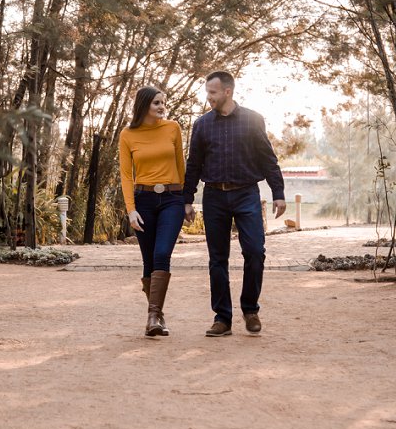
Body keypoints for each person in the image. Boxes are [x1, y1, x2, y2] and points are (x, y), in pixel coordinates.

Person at [183, 71, 285, 337]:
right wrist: (187, 200)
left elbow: (268, 159)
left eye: (213, 93)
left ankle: (250, 309)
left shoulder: (253, 120)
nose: (209, 98)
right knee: (218, 259)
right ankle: (222, 318)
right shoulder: (202, 125)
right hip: (214, 196)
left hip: (246, 194)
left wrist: (278, 192)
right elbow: (193, 165)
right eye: (208, 93)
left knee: (255, 252)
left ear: (227, 91)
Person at [118, 86, 186, 337]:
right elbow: (126, 176)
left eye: (163, 103)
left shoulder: (173, 128)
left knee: (161, 253)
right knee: (149, 261)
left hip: (172, 199)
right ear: (144, 105)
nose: (161, 107)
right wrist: (131, 210)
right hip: (143, 200)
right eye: (156, 102)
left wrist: (186, 200)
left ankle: (153, 315)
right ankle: (157, 316)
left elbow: (181, 165)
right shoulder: (127, 134)